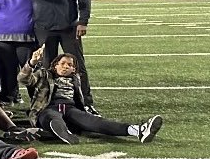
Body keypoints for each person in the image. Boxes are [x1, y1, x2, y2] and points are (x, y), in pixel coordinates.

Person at [13, 0, 97, 115]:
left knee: (78, 66)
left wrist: (83, 21)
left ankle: (86, 102)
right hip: (44, 28)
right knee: (46, 68)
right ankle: (47, 102)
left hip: (68, 28)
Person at [20, 51, 162, 144]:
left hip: (70, 110)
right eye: (62, 64)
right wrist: (32, 63)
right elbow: (23, 79)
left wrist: (88, 111)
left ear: (74, 69)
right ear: (55, 65)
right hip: (47, 108)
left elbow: (80, 101)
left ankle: (138, 130)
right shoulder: (44, 74)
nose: (65, 67)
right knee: (52, 117)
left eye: (69, 65)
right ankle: (63, 132)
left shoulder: (75, 80)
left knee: (96, 123)